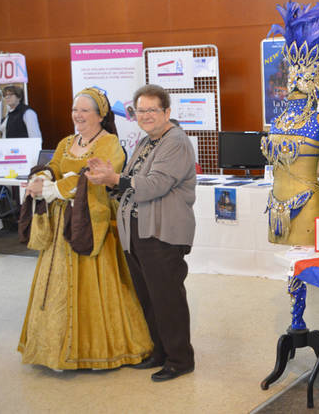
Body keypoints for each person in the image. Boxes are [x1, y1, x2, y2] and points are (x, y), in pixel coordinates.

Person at [17, 87, 152, 370]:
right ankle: (53, 348)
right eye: (74, 110)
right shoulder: (68, 141)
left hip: (93, 222)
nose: (77, 115)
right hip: (61, 225)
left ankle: (99, 349)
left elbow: (94, 178)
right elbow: (54, 165)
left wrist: (54, 188)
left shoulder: (109, 143)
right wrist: (42, 177)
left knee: (97, 287)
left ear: (100, 115)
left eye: (84, 110)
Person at [86, 84, 197, 382]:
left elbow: (154, 185)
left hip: (162, 233)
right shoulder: (147, 141)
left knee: (167, 297)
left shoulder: (175, 141)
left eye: (152, 110)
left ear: (167, 112)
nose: (146, 116)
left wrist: (115, 178)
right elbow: (133, 179)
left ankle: (180, 359)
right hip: (138, 231)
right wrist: (108, 178)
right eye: (141, 110)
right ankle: (159, 352)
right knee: (148, 296)